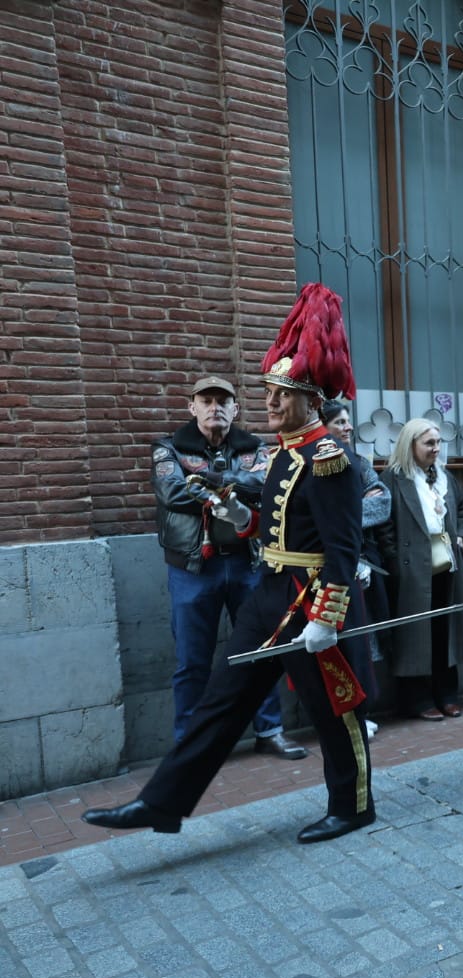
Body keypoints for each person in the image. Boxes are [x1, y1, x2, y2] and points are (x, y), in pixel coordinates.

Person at [85, 283, 376, 843]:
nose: (269, 403)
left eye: (281, 394)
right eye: (267, 392)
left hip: (310, 597)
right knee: (220, 700)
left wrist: (327, 616)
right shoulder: (279, 455)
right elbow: (268, 527)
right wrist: (239, 512)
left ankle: (354, 804)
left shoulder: (328, 458)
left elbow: (344, 547)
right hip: (266, 593)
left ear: (312, 400)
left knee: (333, 708)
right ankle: (162, 802)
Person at [152, 375, 306, 759]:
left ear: (236, 409)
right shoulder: (167, 448)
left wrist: (213, 481)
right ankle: (191, 741)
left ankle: (269, 730)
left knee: (262, 651)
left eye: (224, 401)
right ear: (192, 407)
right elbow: (172, 492)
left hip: (247, 564)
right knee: (192, 660)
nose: (215, 407)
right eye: (206, 400)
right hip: (192, 569)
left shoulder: (256, 448)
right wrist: (238, 485)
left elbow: (267, 486)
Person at [379, 419, 463, 719]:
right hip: (412, 571)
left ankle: (447, 693)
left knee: (444, 631)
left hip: (447, 564)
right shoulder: (393, 478)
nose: (436, 448)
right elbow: (384, 525)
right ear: (411, 446)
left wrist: (462, 538)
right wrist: (395, 561)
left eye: (438, 442)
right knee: (415, 635)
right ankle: (417, 700)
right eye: (429, 443)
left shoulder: (444, 476)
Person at [320, 399, 390, 737]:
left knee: (363, 642)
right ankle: (339, 715)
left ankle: (363, 709)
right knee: (332, 644)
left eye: (348, 422)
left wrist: (341, 520)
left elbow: (382, 502)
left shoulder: (360, 464)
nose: (348, 428)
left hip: (362, 564)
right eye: (340, 422)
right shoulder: (310, 465)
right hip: (323, 568)